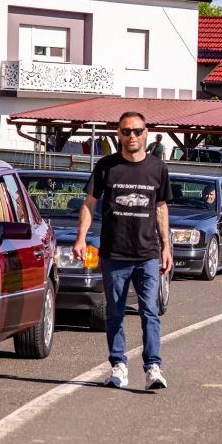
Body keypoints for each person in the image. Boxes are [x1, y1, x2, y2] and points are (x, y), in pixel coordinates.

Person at [75, 111, 173, 391]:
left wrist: (166, 247)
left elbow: (161, 208)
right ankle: (118, 366)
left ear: (146, 133)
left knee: (149, 311)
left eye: (137, 131)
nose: (132, 136)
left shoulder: (157, 168)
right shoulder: (106, 166)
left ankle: (153, 367)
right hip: (114, 254)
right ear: (118, 133)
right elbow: (90, 202)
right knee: (115, 312)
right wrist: (81, 238)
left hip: (147, 254)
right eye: (126, 131)